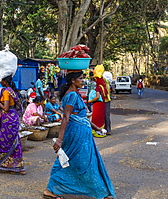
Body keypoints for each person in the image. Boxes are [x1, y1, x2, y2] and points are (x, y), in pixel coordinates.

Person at [43, 71, 116, 199]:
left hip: (81, 133)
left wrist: (96, 127)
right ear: (72, 80)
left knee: (72, 161)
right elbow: (66, 116)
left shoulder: (74, 94)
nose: (83, 81)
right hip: (76, 135)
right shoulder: (71, 96)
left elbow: (81, 117)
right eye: (81, 79)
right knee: (85, 162)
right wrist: (59, 140)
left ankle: (53, 188)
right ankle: (99, 191)